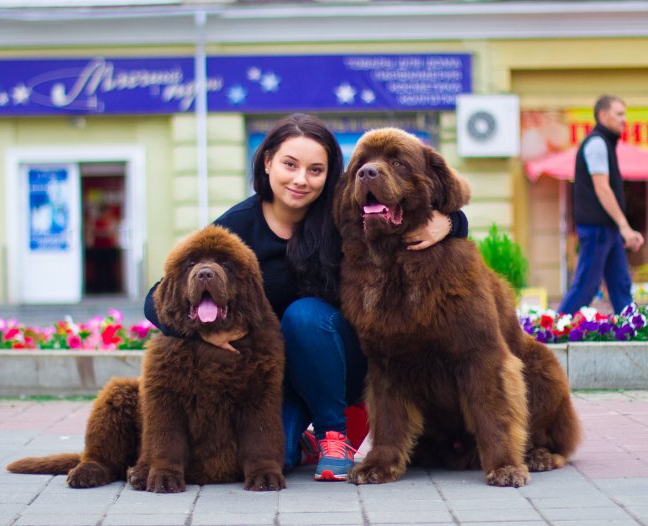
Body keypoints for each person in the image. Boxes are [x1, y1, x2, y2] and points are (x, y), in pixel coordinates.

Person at [145, 113, 468, 481]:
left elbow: (415, 217)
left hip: (348, 359)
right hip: (284, 372)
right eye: (289, 165)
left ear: (329, 175)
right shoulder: (237, 226)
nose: (301, 179)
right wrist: (201, 331)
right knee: (277, 458)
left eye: (316, 170)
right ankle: (306, 440)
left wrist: (453, 223)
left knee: (304, 316)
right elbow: (157, 296)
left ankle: (335, 434)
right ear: (267, 162)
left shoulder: (343, 212)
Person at [557, 95, 644, 316]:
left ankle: (631, 331)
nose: (624, 119)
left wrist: (620, 228)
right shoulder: (597, 143)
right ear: (603, 115)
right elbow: (602, 188)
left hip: (606, 229)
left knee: (620, 285)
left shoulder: (604, 143)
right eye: (619, 114)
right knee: (586, 286)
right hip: (597, 229)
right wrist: (625, 227)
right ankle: (553, 332)